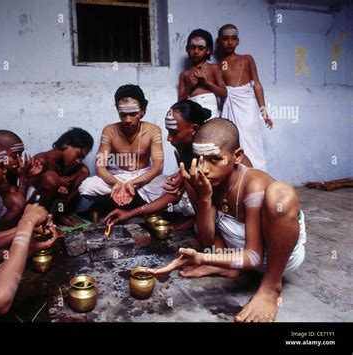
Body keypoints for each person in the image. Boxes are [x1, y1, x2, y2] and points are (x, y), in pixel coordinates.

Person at [149, 119, 306, 322]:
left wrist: (202, 258)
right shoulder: (203, 180)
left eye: (215, 159)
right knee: (193, 184)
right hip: (238, 255)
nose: (204, 168)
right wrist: (205, 199)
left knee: (280, 195)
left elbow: (255, 257)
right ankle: (228, 267)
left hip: (274, 258)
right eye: (199, 158)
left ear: (237, 156)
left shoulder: (253, 184)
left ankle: (271, 286)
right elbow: (206, 240)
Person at [104, 100, 252, 231]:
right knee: (163, 183)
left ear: (194, 129)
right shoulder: (184, 149)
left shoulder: (218, 147)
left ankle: (197, 220)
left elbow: (229, 196)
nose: (168, 138)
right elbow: (173, 194)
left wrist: (197, 221)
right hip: (210, 208)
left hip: (234, 213)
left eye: (174, 132)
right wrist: (130, 213)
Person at [79, 84, 166, 212]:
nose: (128, 120)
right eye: (123, 114)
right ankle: (127, 201)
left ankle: (132, 206)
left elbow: (158, 167)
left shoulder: (153, 130)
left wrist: (132, 183)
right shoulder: (109, 130)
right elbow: (100, 166)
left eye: (133, 114)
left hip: (144, 178)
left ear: (143, 111)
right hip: (118, 176)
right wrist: (117, 183)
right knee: (86, 187)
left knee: (168, 187)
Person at [216, 24, 273, 171]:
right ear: (219, 41)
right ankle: (240, 179)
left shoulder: (247, 59)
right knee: (232, 140)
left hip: (247, 105)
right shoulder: (219, 65)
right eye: (225, 39)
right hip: (229, 105)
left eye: (233, 38)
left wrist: (263, 110)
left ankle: (259, 175)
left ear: (238, 41)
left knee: (251, 138)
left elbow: (257, 85)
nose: (230, 42)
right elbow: (221, 91)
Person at [30, 128, 93, 226]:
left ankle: (57, 215)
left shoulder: (62, 163)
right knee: (51, 178)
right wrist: (57, 183)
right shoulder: (42, 160)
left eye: (81, 158)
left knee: (83, 171)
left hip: (53, 204)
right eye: (78, 155)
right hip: (33, 207)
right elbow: (30, 187)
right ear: (65, 144)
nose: (78, 161)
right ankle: (43, 220)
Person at [178, 29, 227, 118]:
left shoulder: (213, 68)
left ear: (208, 50)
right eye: (193, 47)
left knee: (210, 131)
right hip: (192, 108)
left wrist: (208, 83)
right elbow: (180, 101)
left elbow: (224, 93)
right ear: (187, 49)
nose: (196, 51)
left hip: (210, 107)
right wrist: (189, 86)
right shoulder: (184, 74)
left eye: (201, 48)